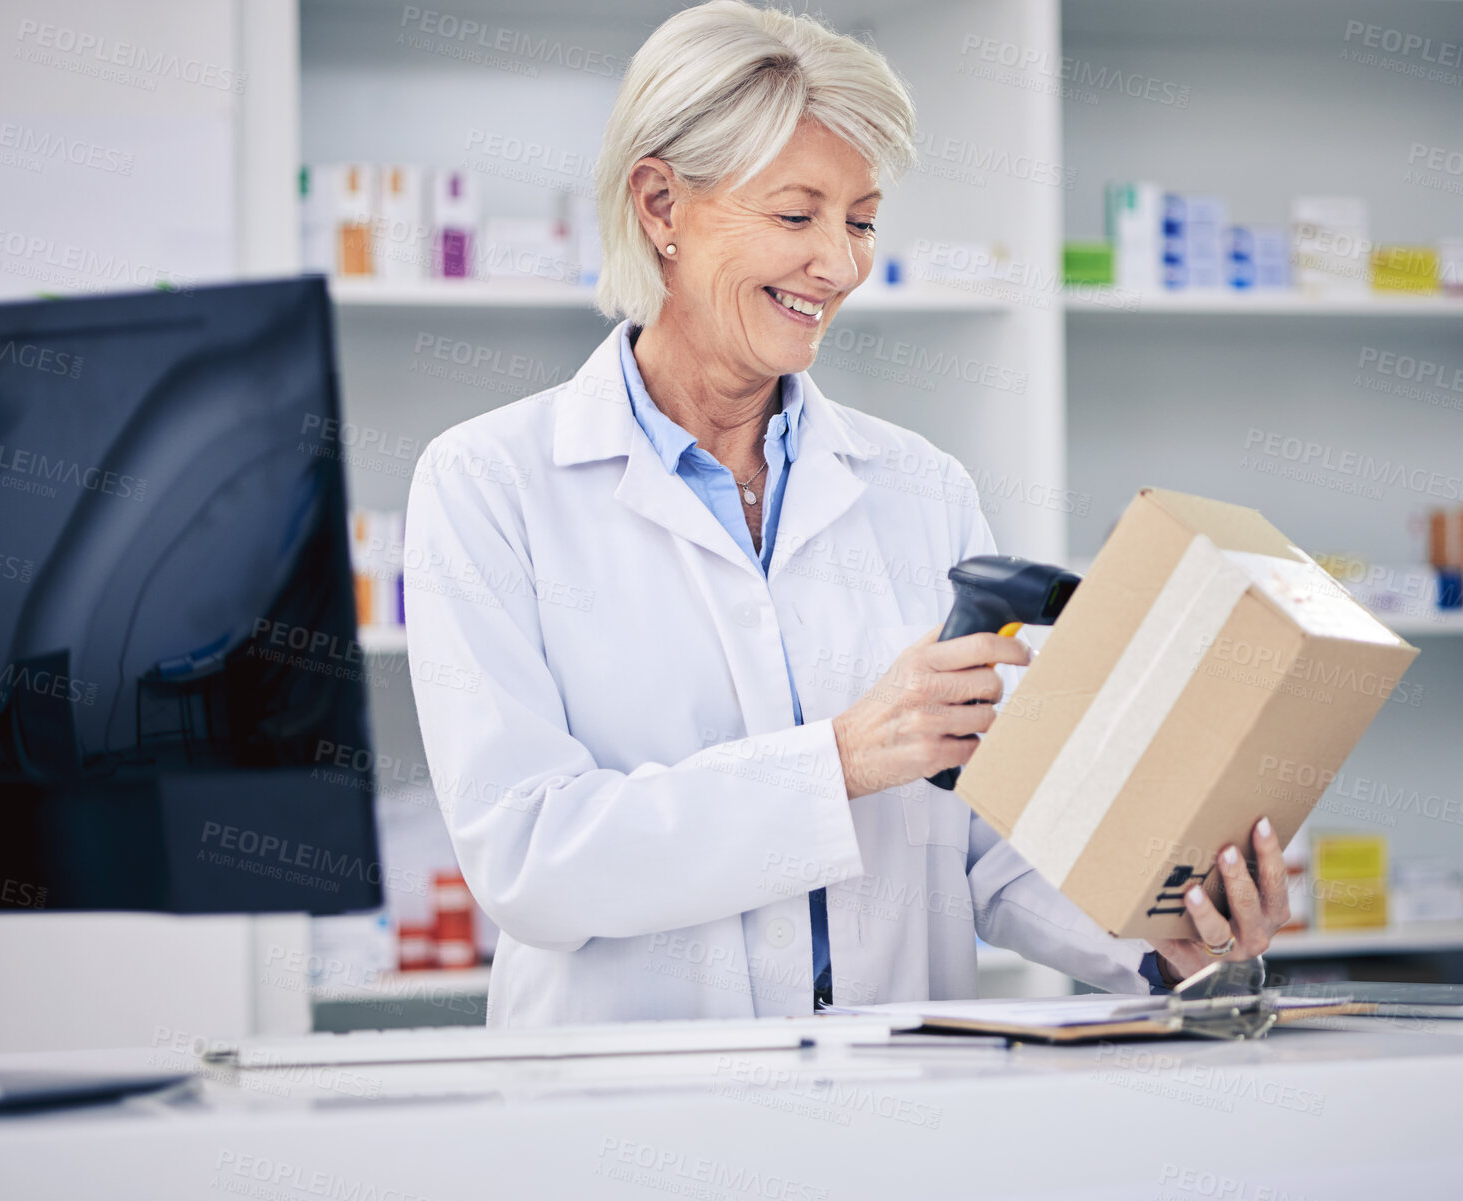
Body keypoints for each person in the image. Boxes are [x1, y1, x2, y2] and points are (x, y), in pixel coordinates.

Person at [403, 0, 1289, 1028]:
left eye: (860, 219)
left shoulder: (920, 487)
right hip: (630, 1115)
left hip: (900, 1097)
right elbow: (529, 858)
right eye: (795, 215)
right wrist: (837, 762)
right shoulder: (488, 483)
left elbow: (987, 845)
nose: (838, 264)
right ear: (659, 205)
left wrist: (1154, 930)